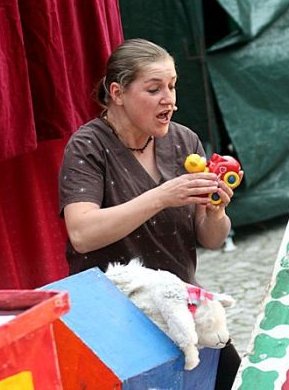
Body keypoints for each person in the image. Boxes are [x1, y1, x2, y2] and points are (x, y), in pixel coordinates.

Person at [58, 38, 240, 388]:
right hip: (113, 318)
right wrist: (161, 196)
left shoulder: (184, 141)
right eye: (154, 89)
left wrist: (216, 212)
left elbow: (212, 239)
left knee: (235, 381)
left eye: (172, 86)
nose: (169, 99)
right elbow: (82, 234)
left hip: (180, 308)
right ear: (117, 92)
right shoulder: (87, 146)